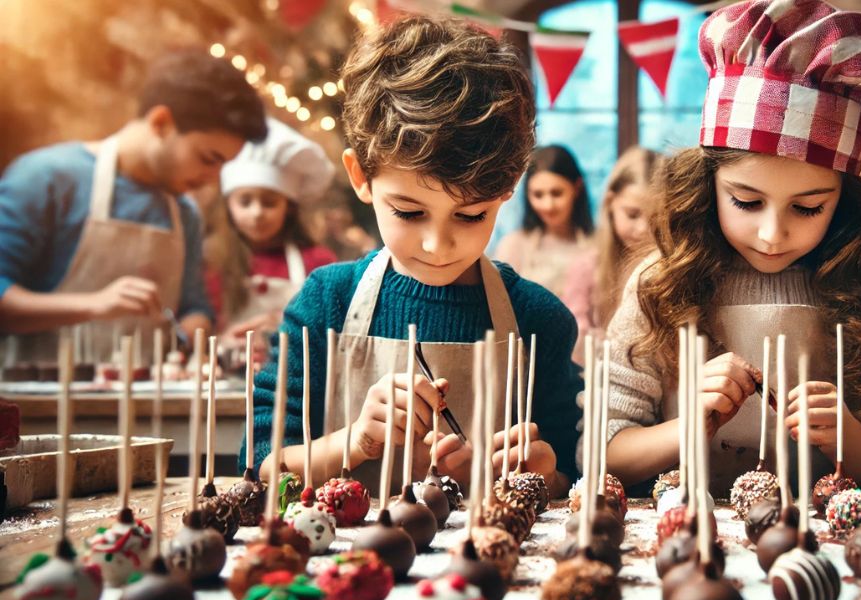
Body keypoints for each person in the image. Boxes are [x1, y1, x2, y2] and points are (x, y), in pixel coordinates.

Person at [600, 0, 861, 493]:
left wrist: (852, 440)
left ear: (845, 201)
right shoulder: (659, 284)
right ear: (706, 186)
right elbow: (604, 453)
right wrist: (688, 426)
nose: (772, 234)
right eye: (746, 202)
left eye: (808, 208)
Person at [251, 15, 581, 497]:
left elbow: (573, 471)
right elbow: (261, 465)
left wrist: (543, 476)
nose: (436, 245)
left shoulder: (539, 320)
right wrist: (355, 441)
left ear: (508, 188)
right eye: (409, 212)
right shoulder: (326, 304)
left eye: (471, 215)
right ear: (361, 177)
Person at [0, 50, 267, 365]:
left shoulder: (184, 213)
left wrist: (206, 342)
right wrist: (94, 305)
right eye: (208, 159)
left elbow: (193, 307)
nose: (213, 178)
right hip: (35, 389)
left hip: (149, 394)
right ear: (161, 122)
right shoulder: (46, 179)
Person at [206, 117, 338, 357]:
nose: (257, 213)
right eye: (245, 202)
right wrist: (220, 343)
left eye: (269, 203)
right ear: (228, 205)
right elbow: (199, 327)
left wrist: (287, 323)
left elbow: (335, 329)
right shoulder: (211, 260)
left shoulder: (319, 262)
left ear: (289, 207)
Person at [561, 146, 661, 360]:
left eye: (655, 218)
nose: (643, 228)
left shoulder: (669, 270)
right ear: (610, 202)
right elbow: (573, 339)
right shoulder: (588, 267)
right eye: (632, 214)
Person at [494, 145, 594, 299]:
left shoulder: (598, 246)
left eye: (556, 193)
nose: (548, 205)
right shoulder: (513, 246)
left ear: (577, 187)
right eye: (538, 195)